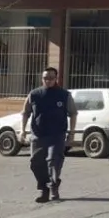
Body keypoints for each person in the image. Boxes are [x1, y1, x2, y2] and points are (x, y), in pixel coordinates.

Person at [21, 67, 77, 203]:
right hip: (38, 135)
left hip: (57, 134)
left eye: (51, 78)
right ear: (42, 78)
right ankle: (43, 189)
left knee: (54, 160)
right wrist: (22, 130)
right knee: (35, 163)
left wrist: (72, 133)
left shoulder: (64, 95)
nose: (48, 80)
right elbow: (25, 112)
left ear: (56, 79)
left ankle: (53, 186)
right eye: (45, 78)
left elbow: (73, 113)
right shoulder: (34, 94)